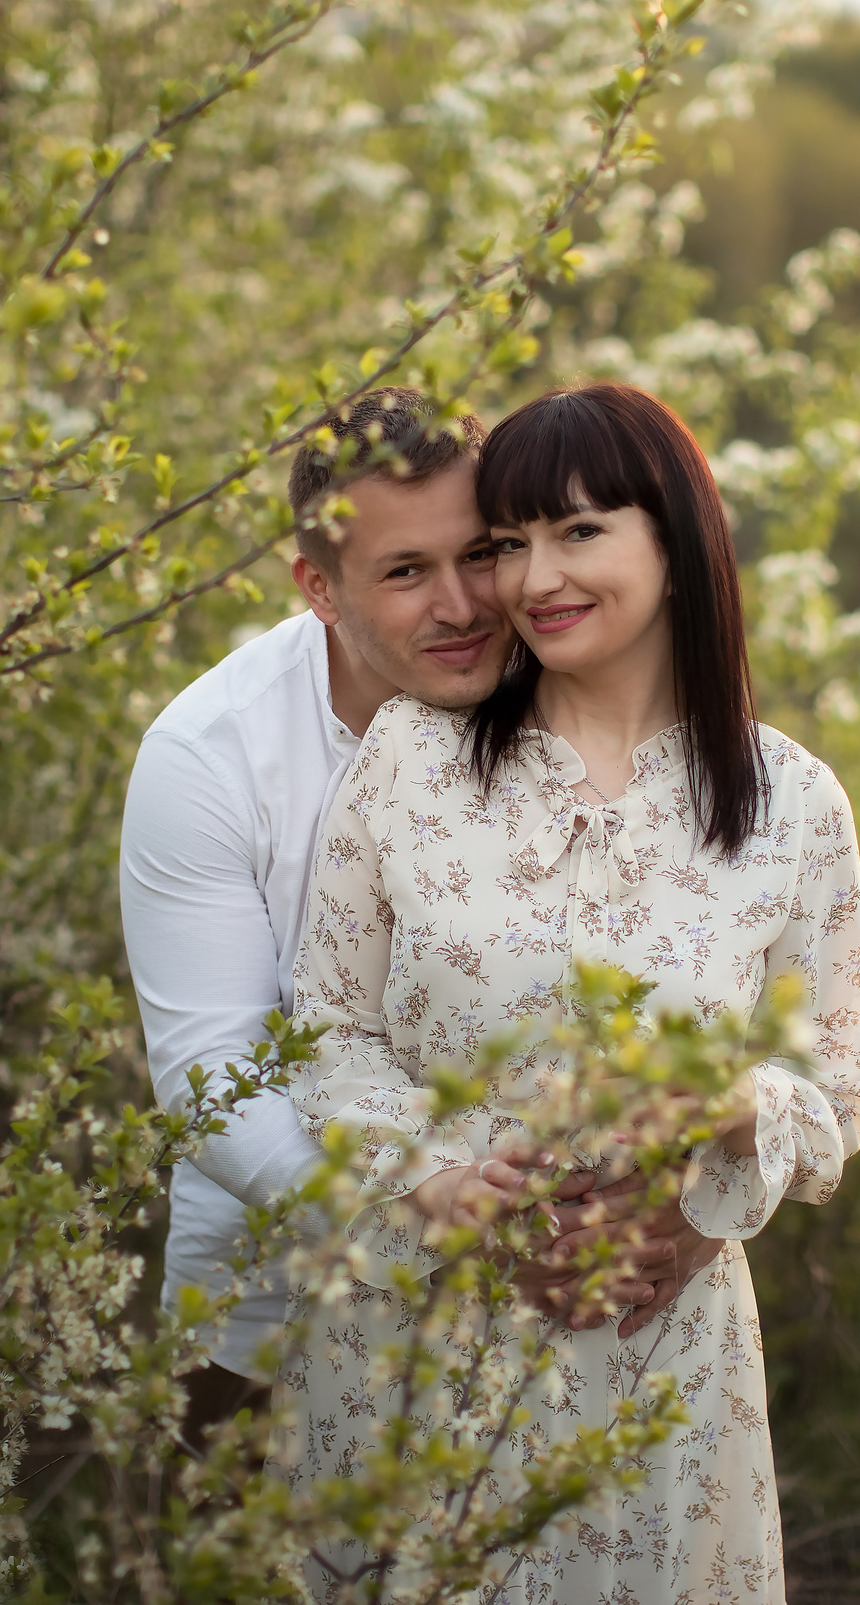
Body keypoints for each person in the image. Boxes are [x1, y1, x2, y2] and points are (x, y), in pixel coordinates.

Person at [277, 383, 860, 1601]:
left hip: (658, 1361)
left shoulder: (791, 805)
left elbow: (837, 1088)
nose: (533, 579)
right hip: (420, 1335)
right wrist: (437, 1181)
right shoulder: (412, 760)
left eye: (578, 532)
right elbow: (326, 1029)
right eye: (509, 542)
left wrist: (728, 1117)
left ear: (675, 537)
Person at [119, 387, 714, 1445]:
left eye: (480, 553)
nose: (464, 605)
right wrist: (445, 1218)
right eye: (405, 572)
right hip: (273, 1317)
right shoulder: (208, 756)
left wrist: (684, 1207)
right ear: (319, 587)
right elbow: (213, 1080)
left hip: (570, 1332)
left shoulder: (576, 685)